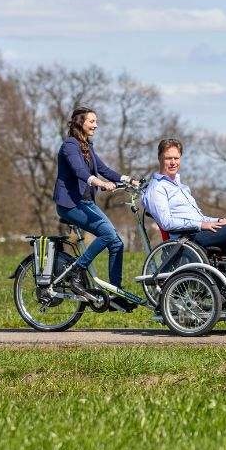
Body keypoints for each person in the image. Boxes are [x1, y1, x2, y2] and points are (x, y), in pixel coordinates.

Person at [143, 138, 226, 301]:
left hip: (199, 229)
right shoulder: (157, 189)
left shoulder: (180, 187)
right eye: (168, 158)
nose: (173, 162)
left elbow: (199, 217)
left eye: (176, 158)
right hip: (185, 238)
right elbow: (166, 223)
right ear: (160, 158)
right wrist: (201, 224)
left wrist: (219, 220)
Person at [52, 106, 136, 311]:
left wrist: (128, 179)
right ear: (80, 122)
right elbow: (79, 170)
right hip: (70, 204)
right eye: (92, 121)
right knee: (108, 234)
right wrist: (98, 183)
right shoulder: (69, 146)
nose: (96, 125)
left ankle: (115, 293)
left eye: (96, 121)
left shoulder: (87, 147)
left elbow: (104, 169)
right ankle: (76, 271)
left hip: (86, 203)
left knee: (116, 242)